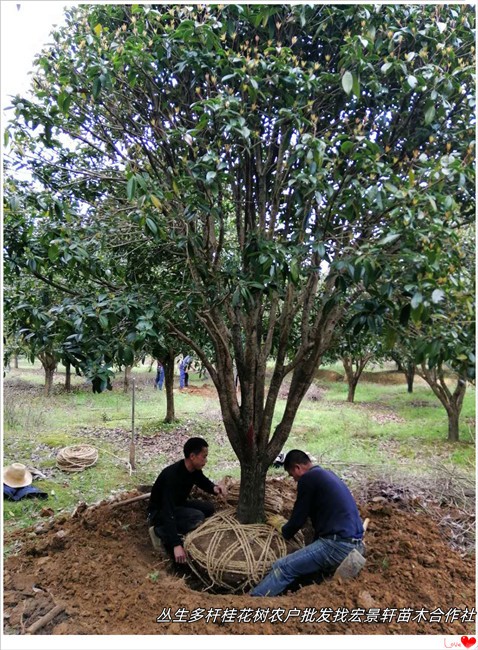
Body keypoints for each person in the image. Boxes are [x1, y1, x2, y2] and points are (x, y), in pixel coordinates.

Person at [250, 449, 365, 597]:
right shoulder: (326, 475)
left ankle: (253, 601)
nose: (294, 480)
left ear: (298, 468)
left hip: (337, 545)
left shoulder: (308, 479)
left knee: (283, 567)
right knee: (306, 571)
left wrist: (283, 529)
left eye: (292, 476)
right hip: (355, 544)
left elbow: (299, 518)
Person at [148, 437, 226, 563]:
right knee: (197, 517)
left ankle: (174, 528)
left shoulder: (193, 470)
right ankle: (159, 532)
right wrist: (176, 545)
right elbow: (168, 511)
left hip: (178, 504)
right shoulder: (171, 477)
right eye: (204, 456)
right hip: (160, 512)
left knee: (209, 508)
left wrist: (214, 488)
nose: (206, 461)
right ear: (192, 456)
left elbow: (202, 481)